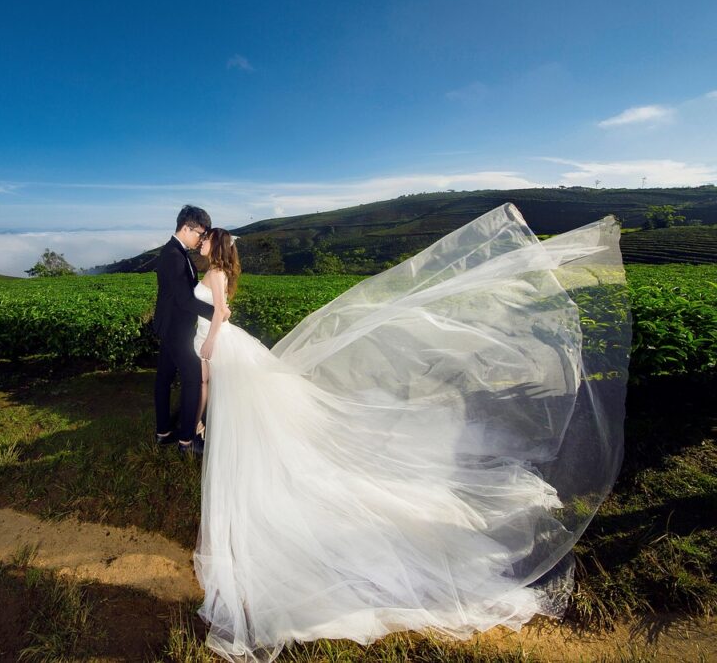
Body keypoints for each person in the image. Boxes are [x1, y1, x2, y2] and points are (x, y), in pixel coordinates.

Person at [190, 204, 631, 662]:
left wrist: (207, 342)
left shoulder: (217, 273)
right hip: (230, 351)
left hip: (224, 347)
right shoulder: (214, 269)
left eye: (204, 241)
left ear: (214, 245)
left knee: (252, 422)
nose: (200, 245)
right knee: (252, 420)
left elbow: (219, 312)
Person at [153, 205, 230, 456]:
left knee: (164, 377)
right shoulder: (174, 256)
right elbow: (185, 301)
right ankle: (187, 440)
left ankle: (163, 431)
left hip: (170, 325)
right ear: (186, 228)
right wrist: (219, 313)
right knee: (194, 381)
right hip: (177, 329)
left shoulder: (177, 252)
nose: (201, 239)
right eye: (200, 233)